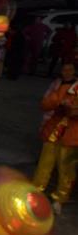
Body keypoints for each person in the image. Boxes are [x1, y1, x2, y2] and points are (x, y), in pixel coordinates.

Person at [32, 62, 78, 214]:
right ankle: (36, 192)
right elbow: (46, 104)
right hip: (54, 130)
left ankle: (59, 199)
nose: (67, 72)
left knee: (66, 169)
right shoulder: (61, 85)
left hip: (72, 135)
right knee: (44, 164)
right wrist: (60, 99)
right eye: (64, 69)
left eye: (70, 69)